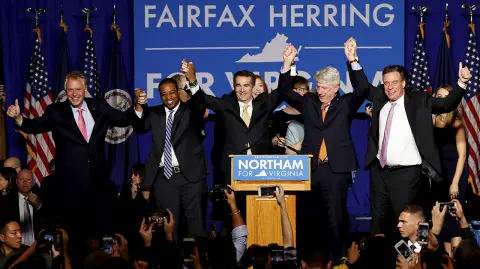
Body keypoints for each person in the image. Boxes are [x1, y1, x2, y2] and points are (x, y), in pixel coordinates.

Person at [346, 37, 471, 236]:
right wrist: (353, 59)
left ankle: (409, 264)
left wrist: (461, 83)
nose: (390, 87)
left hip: (407, 175)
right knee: (378, 225)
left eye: (395, 82)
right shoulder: (379, 96)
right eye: (386, 83)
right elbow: (362, 87)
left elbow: (445, 105)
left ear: (403, 83)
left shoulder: (419, 100)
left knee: (405, 225)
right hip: (379, 172)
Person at [5, 71, 139, 235]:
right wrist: (18, 118)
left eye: (78, 89)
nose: (74, 94)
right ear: (65, 90)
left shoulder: (99, 106)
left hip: (98, 183)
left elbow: (123, 119)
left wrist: (139, 106)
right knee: (73, 233)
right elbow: (34, 126)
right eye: (70, 90)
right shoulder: (56, 111)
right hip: (70, 186)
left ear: (85, 89)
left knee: (100, 232)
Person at [280, 42, 370, 262]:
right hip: (310, 168)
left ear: (336, 87)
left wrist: (353, 60)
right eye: (317, 86)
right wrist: (287, 63)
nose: (319, 91)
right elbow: (284, 91)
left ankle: (338, 259)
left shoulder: (346, 103)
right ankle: (308, 260)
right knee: (308, 217)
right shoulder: (309, 101)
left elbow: (363, 89)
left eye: (324, 87)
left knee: (335, 218)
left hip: (336, 169)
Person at [132, 60, 208, 242]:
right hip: (164, 179)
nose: (169, 97)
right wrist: (139, 106)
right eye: (164, 94)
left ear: (179, 93)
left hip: (191, 177)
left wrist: (192, 79)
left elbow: (200, 105)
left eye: (172, 92)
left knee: (195, 227)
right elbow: (140, 127)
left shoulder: (189, 111)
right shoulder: (155, 113)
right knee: (168, 229)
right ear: (160, 96)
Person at [432, 85, 469, 255]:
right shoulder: (429, 121)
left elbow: (462, 156)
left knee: (453, 219)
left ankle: (457, 260)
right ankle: (446, 260)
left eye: (445, 97)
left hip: (455, 174)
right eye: (438, 96)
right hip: (438, 176)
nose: (441, 100)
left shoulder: (457, 123)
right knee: (441, 218)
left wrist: (454, 183)